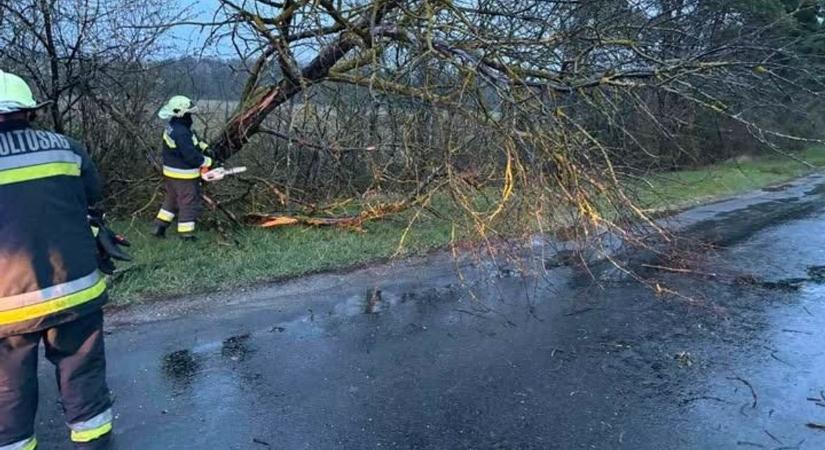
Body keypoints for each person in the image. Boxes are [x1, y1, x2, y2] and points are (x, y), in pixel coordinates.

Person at [0, 71, 113, 449]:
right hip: (76, 291)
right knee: (84, 376)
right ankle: (94, 441)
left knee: (8, 391)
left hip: (7, 306)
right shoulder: (66, 148)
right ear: (29, 111)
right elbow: (92, 197)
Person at [152, 96, 212, 240]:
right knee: (188, 202)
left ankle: (159, 226)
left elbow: (192, 141)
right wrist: (206, 161)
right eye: (188, 114)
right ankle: (186, 234)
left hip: (171, 173)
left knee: (172, 199)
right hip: (184, 175)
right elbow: (190, 155)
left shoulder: (173, 127)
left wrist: (205, 147)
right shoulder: (182, 132)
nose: (190, 117)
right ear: (181, 114)